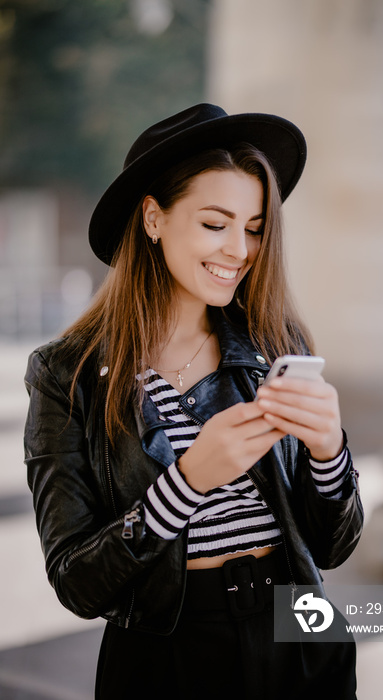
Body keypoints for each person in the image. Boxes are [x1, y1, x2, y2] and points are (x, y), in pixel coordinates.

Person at [24, 103, 363, 699]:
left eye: (255, 227)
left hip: (300, 630)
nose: (239, 249)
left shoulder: (273, 345)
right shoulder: (67, 375)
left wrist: (329, 452)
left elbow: (332, 547)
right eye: (215, 223)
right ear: (154, 218)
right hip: (168, 651)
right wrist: (188, 481)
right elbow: (77, 582)